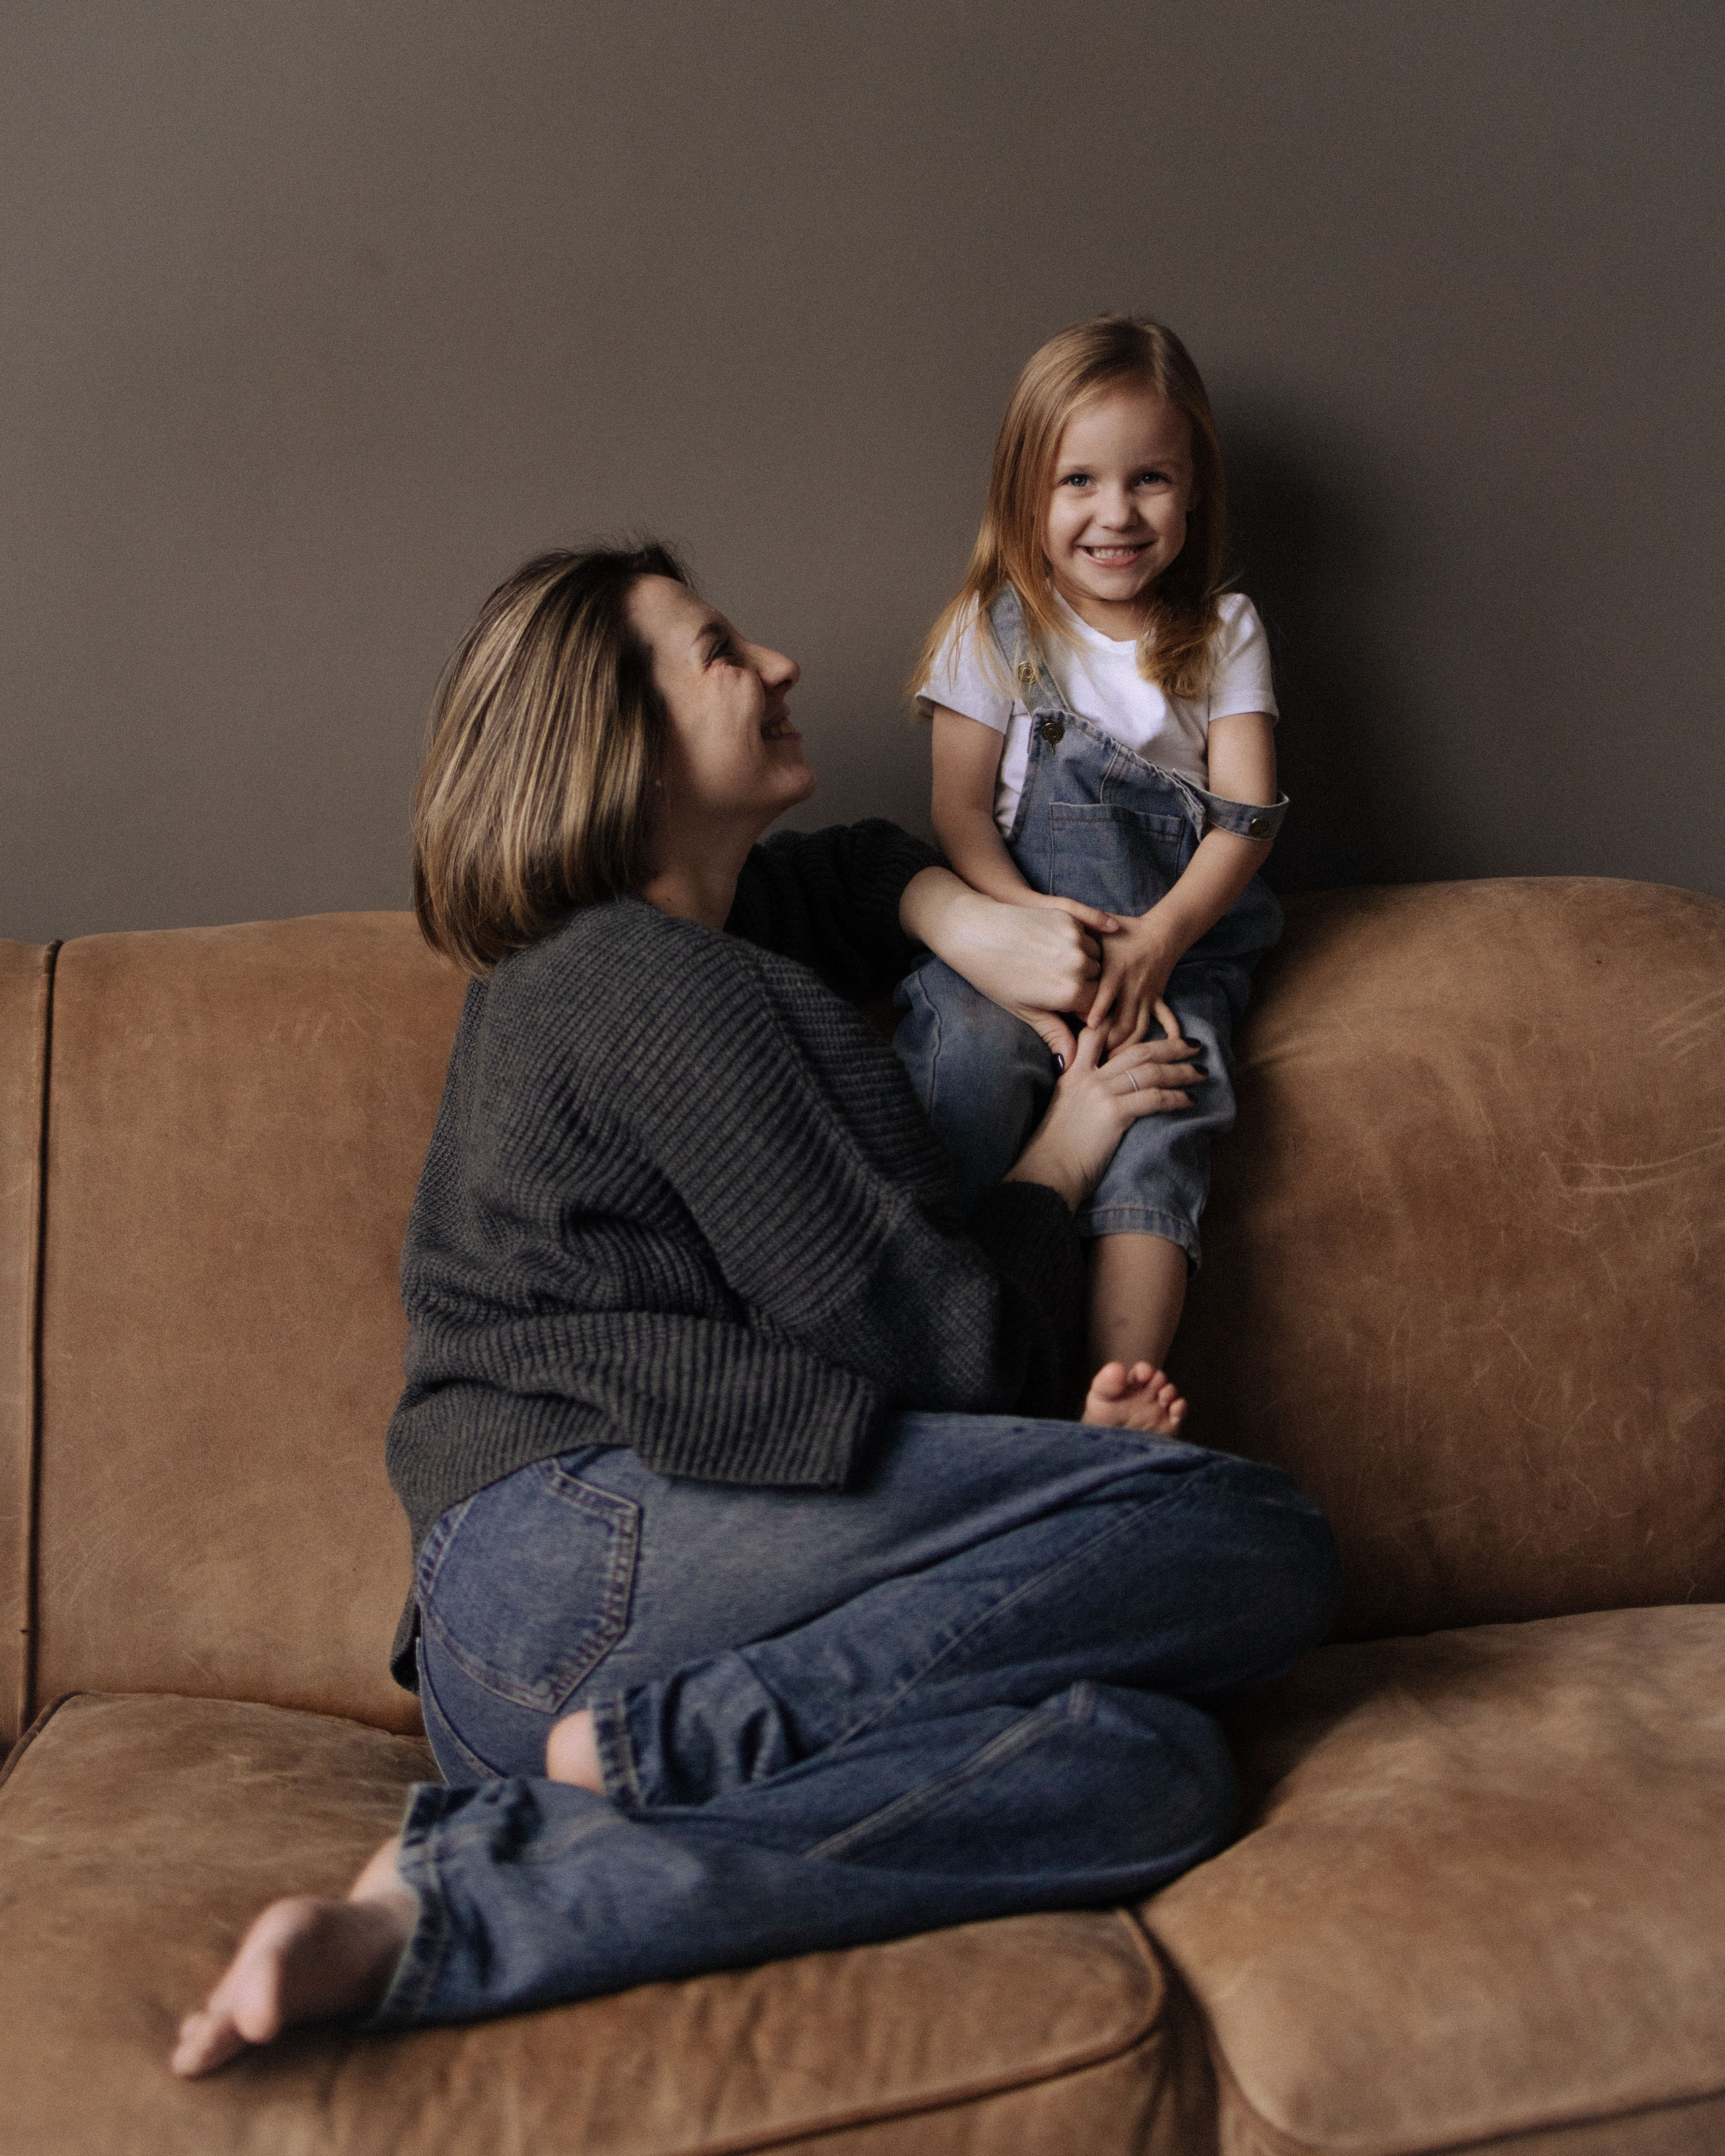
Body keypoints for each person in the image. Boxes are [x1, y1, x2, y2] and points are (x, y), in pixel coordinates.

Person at [172, 542, 1337, 2076]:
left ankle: (462, 1905)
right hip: (575, 1561)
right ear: (619, 738)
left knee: (1147, 1769)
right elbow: (942, 1353)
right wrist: (1059, 1156)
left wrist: (945, 910)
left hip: (520, 1676)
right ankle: (674, 1745)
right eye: (720, 652)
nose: (779, 666)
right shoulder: (656, 988)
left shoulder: (680, 947)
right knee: (1248, 1537)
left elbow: (843, 874)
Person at [896, 317, 1288, 1414]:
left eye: (1150, 480)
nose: (1115, 514)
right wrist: (1033, 930)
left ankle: (1108, 1389)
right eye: (1080, 480)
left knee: (1165, 1116)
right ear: (1028, 493)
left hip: (1175, 949)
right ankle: (944, 1349)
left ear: (1194, 491)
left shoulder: (1222, 631)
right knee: (966, 1068)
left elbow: (1248, 816)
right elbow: (959, 816)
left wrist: (1157, 943)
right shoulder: (990, 631)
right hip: (1015, 947)